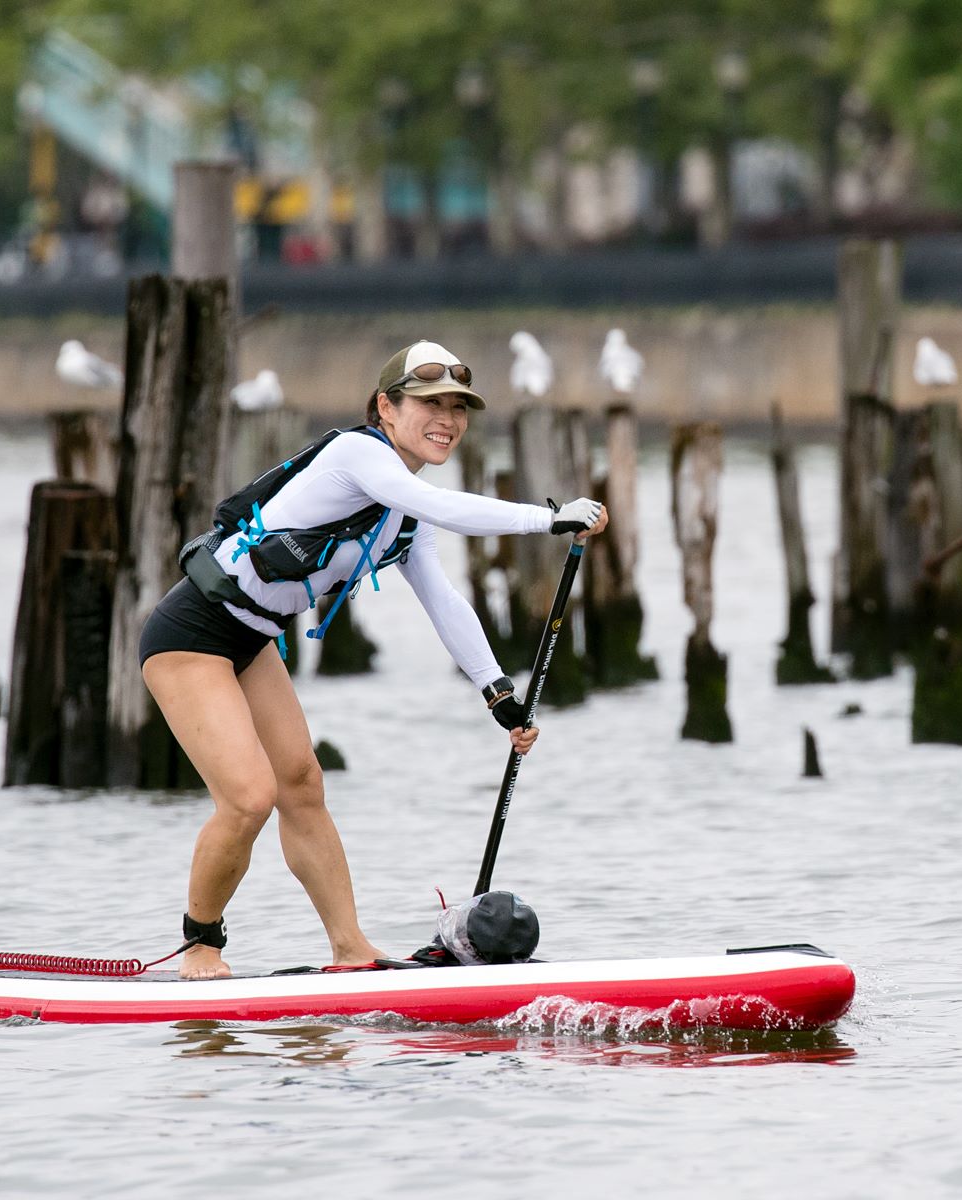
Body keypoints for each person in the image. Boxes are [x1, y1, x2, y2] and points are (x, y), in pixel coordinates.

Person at [138, 340, 609, 979]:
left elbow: (444, 601)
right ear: (386, 407)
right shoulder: (358, 454)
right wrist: (549, 520)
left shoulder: (405, 516)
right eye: (430, 404)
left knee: (302, 784)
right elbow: (450, 506)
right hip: (190, 635)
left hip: (250, 640)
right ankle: (199, 948)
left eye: (458, 408)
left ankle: (351, 949)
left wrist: (498, 693)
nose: (448, 419)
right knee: (250, 796)